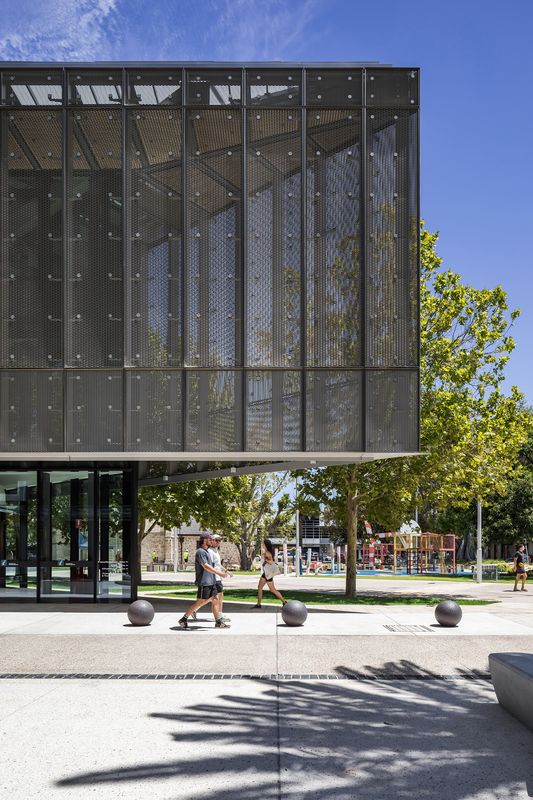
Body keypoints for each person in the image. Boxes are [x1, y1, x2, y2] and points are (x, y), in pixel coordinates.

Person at [178, 534, 231, 629]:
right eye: (210, 539)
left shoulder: (206, 552)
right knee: (200, 602)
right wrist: (220, 573)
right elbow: (206, 566)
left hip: (211, 581)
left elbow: (214, 565)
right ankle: (183, 619)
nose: (212, 541)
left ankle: (218, 622)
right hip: (204, 582)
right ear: (205, 540)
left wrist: (222, 573)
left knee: (215, 600)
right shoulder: (200, 552)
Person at [252, 538, 287, 609]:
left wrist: (264, 557)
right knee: (262, 588)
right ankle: (259, 604)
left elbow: (271, 562)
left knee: (270, 589)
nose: (262, 545)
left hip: (268, 574)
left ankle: (284, 602)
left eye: (263, 544)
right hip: (266, 573)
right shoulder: (268, 551)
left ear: (265, 545)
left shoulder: (267, 552)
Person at [209, 534, 230, 623]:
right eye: (216, 540)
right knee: (214, 598)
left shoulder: (216, 551)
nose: (218, 542)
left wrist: (226, 571)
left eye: (219, 540)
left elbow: (218, 564)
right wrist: (218, 574)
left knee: (219, 596)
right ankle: (218, 617)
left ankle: (220, 615)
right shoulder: (210, 551)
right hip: (214, 577)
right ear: (211, 541)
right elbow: (210, 566)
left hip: (218, 577)